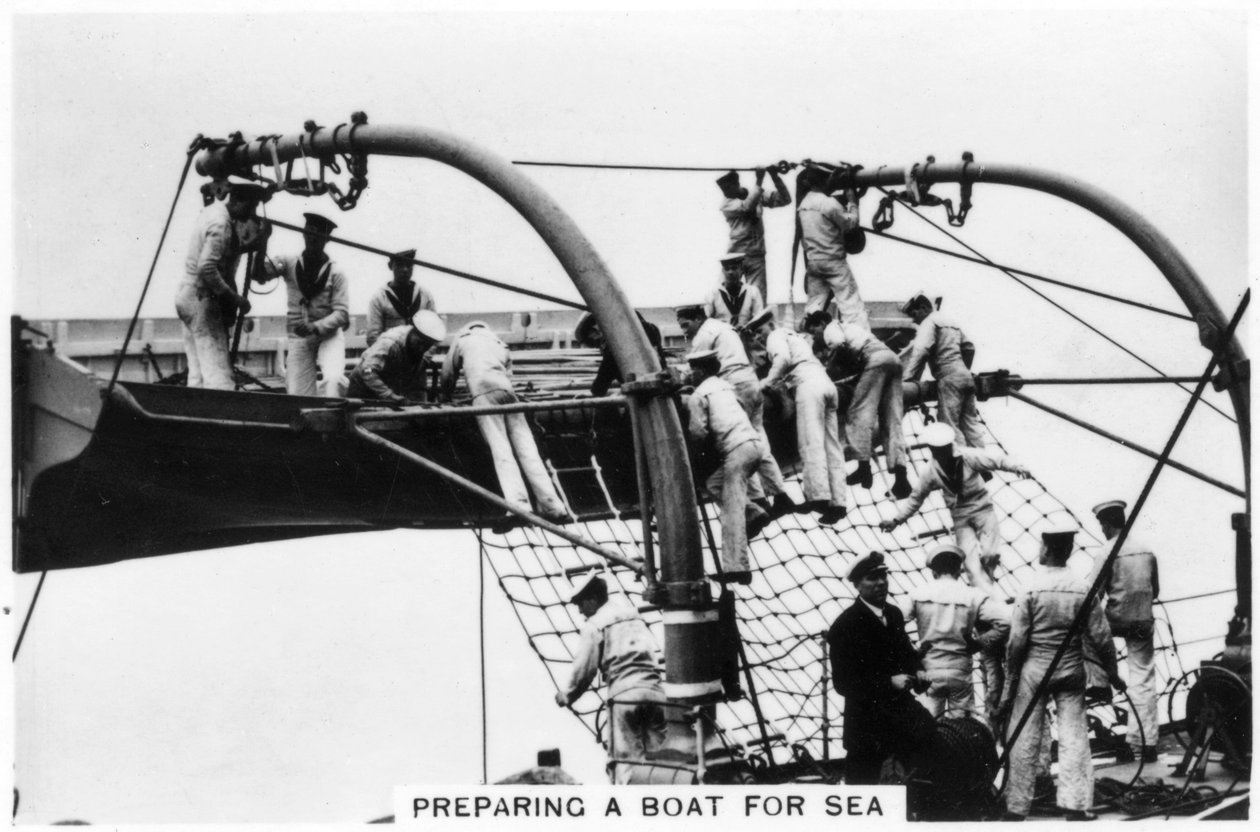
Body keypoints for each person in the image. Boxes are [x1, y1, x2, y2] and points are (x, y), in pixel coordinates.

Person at [998, 524, 1123, 821]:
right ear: (1067, 551)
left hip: (1034, 670)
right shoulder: (1083, 589)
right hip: (1070, 669)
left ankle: (1017, 808)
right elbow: (1102, 639)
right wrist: (1113, 674)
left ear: (1045, 549)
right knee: (1074, 738)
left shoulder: (1029, 588)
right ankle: (1076, 806)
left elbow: (1016, 643)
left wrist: (1011, 681)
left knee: (1025, 736)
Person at [439, 321, 570, 526]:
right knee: (528, 449)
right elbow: (509, 374)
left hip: (484, 393)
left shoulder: (463, 339)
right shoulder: (500, 343)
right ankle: (553, 506)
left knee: (501, 449)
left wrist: (445, 397)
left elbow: (448, 372)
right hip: (508, 393)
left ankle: (519, 505)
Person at [676, 304, 795, 518]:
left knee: (737, 442)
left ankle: (761, 498)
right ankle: (778, 495)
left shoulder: (704, 334)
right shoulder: (722, 327)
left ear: (697, 319)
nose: (684, 330)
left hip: (733, 383)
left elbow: (695, 368)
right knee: (756, 438)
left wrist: (680, 381)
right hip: (750, 380)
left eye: (686, 324)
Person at [880, 423, 1031, 591]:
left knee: (990, 555)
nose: (940, 454)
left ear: (949, 446)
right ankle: (986, 596)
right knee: (970, 564)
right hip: (960, 516)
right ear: (932, 449)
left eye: (943, 449)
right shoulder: (930, 472)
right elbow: (916, 498)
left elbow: (997, 460)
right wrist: (896, 520)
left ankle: (987, 586)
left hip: (983, 509)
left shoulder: (968, 457)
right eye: (936, 450)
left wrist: (1017, 467)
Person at [555, 570, 667, 784]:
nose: (580, 611)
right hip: (655, 692)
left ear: (593, 600)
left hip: (624, 695)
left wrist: (567, 696)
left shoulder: (595, 625)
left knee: (625, 763)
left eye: (581, 604)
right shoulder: (633, 614)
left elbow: (584, 671)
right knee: (661, 760)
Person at [827, 552, 929, 785]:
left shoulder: (893, 614)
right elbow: (843, 684)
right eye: (872, 578)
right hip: (867, 721)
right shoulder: (845, 626)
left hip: (900, 712)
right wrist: (888, 683)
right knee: (863, 788)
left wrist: (919, 670)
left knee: (930, 738)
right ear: (857, 585)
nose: (881, 583)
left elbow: (906, 654)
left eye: (883, 576)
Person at [749, 310, 846, 524]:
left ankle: (818, 498)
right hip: (826, 384)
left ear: (771, 325)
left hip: (807, 385)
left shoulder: (776, 336)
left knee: (811, 443)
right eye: (754, 334)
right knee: (832, 446)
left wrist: (765, 382)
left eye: (759, 331)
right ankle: (838, 503)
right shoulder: (796, 336)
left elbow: (783, 359)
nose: (758, 337)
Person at [686, 349, 770, 585]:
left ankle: (737, 568)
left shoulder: (699, 395)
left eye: (692, 370)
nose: (689, 375)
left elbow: (698, 432)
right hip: (753, 445)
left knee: (731, 513)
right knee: (714, 484)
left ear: (700, 371)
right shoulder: (725, 387)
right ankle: (754, 511)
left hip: (736, 451)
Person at [176, 176, 266, 390]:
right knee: (218, 375)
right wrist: (235, 299)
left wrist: (253, 245)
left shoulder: (211, 213)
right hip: (202, 301)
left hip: (186, 296)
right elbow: (207, 268)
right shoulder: (221, 223)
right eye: (251, 206)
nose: (251, 213)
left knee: (197, 374)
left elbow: (221, 252)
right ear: (238, 200)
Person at [809, 311, 911, 497]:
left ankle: (863, 468)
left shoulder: (831, 328)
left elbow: (838, 345)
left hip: (875, 360)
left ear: (822, 322)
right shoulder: (853, 328)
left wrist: (826, 373)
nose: (815, 335)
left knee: (858, 413)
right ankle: (901, 479)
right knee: (891, 420)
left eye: (813, 330)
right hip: (892, 360)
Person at [1089, 499, 1160, 763]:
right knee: (1143, 680)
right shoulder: (1146, 550)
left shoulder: (1106, 551)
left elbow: (1092, 595)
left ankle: (1100, 682)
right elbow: (1156, 589)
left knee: (1085, 634)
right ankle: (1146, 743)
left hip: (1115, 621)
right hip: (1142, 621)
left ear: (1106, 524)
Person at [902, 542, 1008, 720]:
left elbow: (894, 626)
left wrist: (913, 652)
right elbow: (1005, 622)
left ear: (934, 571)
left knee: (926, 729)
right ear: (959, 570)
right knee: (961, 732)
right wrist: (979, 643)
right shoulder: (973, 595)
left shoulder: (917, 594)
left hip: (928, 671)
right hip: (960, 671)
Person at [255, 212, 350, 397]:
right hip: (299, 337)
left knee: (333, 380)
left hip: (328, 336)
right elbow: (259, 275)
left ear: (327, 238)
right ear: (303, 234)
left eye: (317, 234)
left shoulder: (337, 272)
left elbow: (342, 314)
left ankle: (332, 417)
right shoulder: (288, 263)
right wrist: (262, 242)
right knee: (298, 394)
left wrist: (315, 326)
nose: (312, 237)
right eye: (308, 232)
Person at [900, 292, 984, 449]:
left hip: (948, 377)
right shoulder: (952, 322)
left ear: (924, 308)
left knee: (949, 424)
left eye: (915, 314)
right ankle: (983, 463)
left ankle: (962, 465)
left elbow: (922, 350)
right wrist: (965, 369)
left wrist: (908, 378)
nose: (915, 319)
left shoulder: (928, 322)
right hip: (965, 376)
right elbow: (969, 348)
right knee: (970, 423)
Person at [798, 168, 867, 329]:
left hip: (814, 263)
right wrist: (852, 202)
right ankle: (860, 338)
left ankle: (809, 337)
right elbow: (850, 224)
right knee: (851, 304)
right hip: (834, 262)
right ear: (823, 181)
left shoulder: (804, 204)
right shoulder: (828, 203)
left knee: (814, 306)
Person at [717, 167, 791, 300]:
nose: (725, 193)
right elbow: (747, 206)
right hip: (736, 255)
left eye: (728, 189)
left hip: (756, 255)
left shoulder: (754, 195)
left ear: (736, 185)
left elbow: (785, 199)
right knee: (724, 293)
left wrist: (775, 177)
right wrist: (759, 180)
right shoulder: (726, 205)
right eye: (724, 190)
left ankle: (758, 319)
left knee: (758, 296)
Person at [345, 310, 447, 403]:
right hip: (362, 389)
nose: (421, 348)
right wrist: (389, 395)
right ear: (413, 332)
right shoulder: (389, 343)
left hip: (388, 387)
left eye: (426, 346)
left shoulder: (422, 347)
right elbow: (367, 370)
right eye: (419, 343)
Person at [573, 311, 665, 397]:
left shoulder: (616, 343)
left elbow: (607, 368)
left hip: (647, 394)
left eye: (595, 342)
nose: (599, 346)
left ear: (596, 330)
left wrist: (595, 392)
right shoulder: (647, 328)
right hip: (662, 390)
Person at [365, 248, 436, 346]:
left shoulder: (425, 295)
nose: (405, 269)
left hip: (419, 357)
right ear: (390, 267)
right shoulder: (379, 298)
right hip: (389, 356)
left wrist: (425, 358)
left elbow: (434, 330)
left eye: (408, 265)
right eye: (399, 265)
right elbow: (373, 336)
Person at [703, 253, 766, 329]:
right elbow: (706, 321)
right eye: (727, 269)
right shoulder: (713, 294)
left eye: (734, 268)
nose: (730, 272)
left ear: (741, 270)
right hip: (722, 336)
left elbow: (758, 319)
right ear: (723, 271)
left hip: (745, 336)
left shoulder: (753, 292)